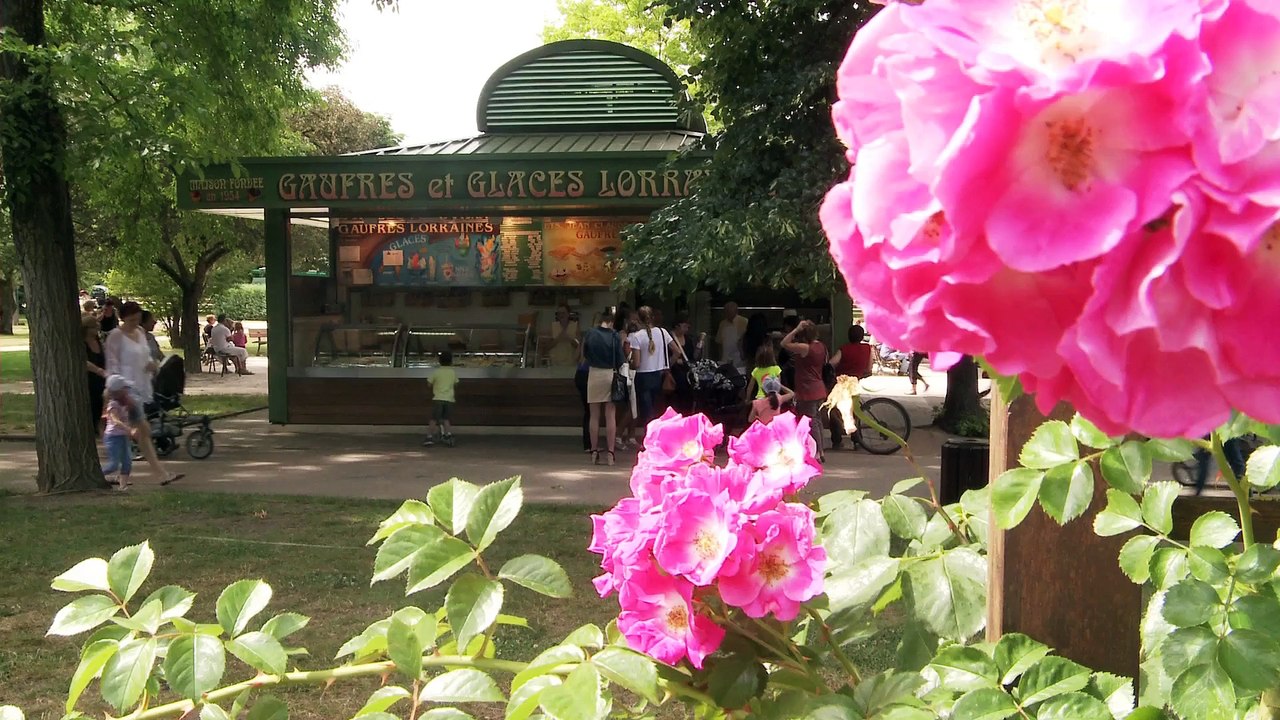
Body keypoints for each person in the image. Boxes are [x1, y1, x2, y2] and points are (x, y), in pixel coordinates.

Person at [104, 301, 182, 485]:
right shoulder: (115, 336)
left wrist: (151, 365)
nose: (134, 323)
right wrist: (118, 389)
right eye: (131, 320)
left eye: (137, 319)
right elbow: (112, 366)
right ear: (123, 318)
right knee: (143, 430)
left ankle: (119, 472)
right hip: (126, 388)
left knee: (136, 432)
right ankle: (160, 474)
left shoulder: (139, 332)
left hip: (142, 385)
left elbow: (145, 355)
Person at [782, 319, 829, 462]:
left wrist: (796, 329)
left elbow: (784, 343)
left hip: (807, 389)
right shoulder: (821, 346)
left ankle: (816, 452)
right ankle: (821, 451)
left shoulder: (805, 348)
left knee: (810, 421)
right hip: (819, 387)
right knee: (817, 420)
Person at [582, 309, 624, 466]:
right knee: (610, 415)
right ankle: (611, 453)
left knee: (594, 415)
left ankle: (594, 451)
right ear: (611, 322)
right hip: (609, 374)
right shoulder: (614, 335)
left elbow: (585, 353)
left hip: (594, 373)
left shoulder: (590, 333)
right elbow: (620, 359)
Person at [628, 306, 678, 437]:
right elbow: (677, 351)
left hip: (643, 376)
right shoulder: (663, 332)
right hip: (659, 374)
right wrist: (667, 364)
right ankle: (658, 436)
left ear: (639, 319)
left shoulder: (637, 336)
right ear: (652, 318)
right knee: (657, 409)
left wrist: (629, 365)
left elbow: (637, 363)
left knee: (646, 412)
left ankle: (649, 437)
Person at [101, 375, 140, 491]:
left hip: (123, 436)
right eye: (124, 388)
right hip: (113, 437)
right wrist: (129, 429)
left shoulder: (125, 402)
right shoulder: (113, 404)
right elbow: (115, 420)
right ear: (117, 392)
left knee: (127, 462)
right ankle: (97, 475)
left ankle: (123, 486)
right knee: (113, 464)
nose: (127, 390)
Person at [422, 350, 458, 447]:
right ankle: (447, 435)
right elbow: (456, 383)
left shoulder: (436, 372)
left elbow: (429, 383)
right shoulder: (452, 372)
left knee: (434, 419)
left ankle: (429, 437)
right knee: (446, 419)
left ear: (439, 361)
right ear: (451, 361)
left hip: (438, 398)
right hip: (449, 399)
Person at [83, 313, 108, 435]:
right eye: (93, 327)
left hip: (102, 377)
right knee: (93, 401)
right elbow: (84, 362)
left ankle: (101, 425)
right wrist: (98, 370)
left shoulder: (98, 341)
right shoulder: (82, 343)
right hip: (90, 377)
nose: (96, 328)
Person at [716, 301, 748, 372]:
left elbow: (747, 341)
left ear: (736, 311)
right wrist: (721, 358)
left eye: (730, 312)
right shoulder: (722, 324)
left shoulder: (744, 322)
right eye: (726, 312)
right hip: (725, 358)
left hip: (739, 359)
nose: (728, 314)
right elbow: (719, 342)